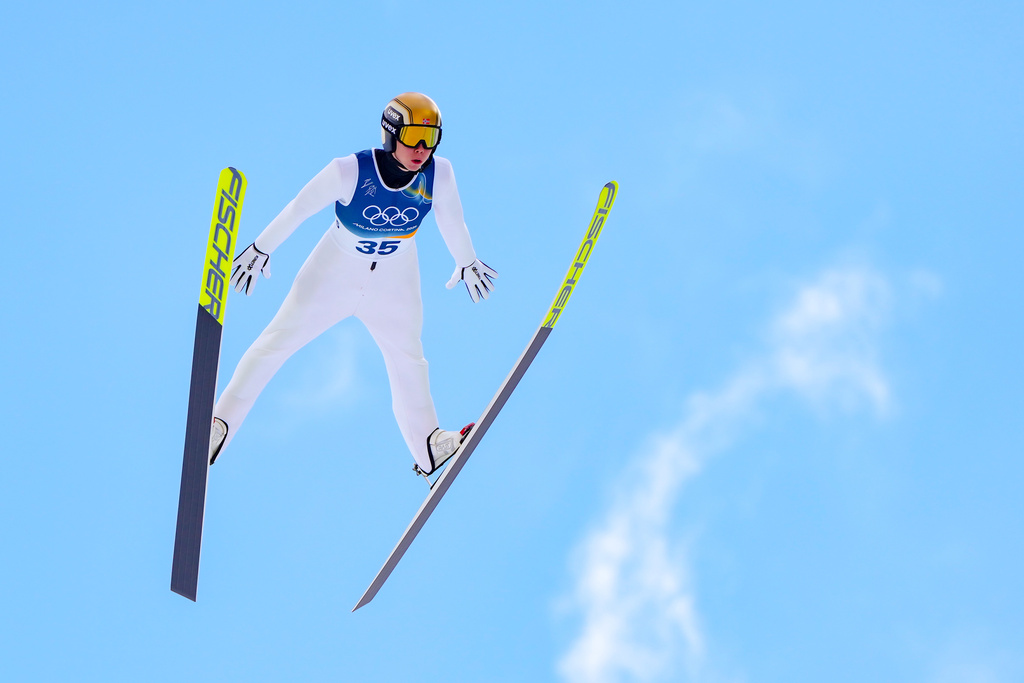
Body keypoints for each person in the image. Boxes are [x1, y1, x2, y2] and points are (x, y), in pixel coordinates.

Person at [208, 92, 497, 478]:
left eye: (432, 138)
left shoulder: (438, 174)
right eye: (413, 136)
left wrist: (466, 260)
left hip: (396, 276)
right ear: (391, 134)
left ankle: (429, 445)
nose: (422, 149)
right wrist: (262, 247)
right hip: (335, 270)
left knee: (409, 358)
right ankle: (218, 425)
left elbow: (452, 220)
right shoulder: (349, 170)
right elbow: (299, 208)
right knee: (276, 342)